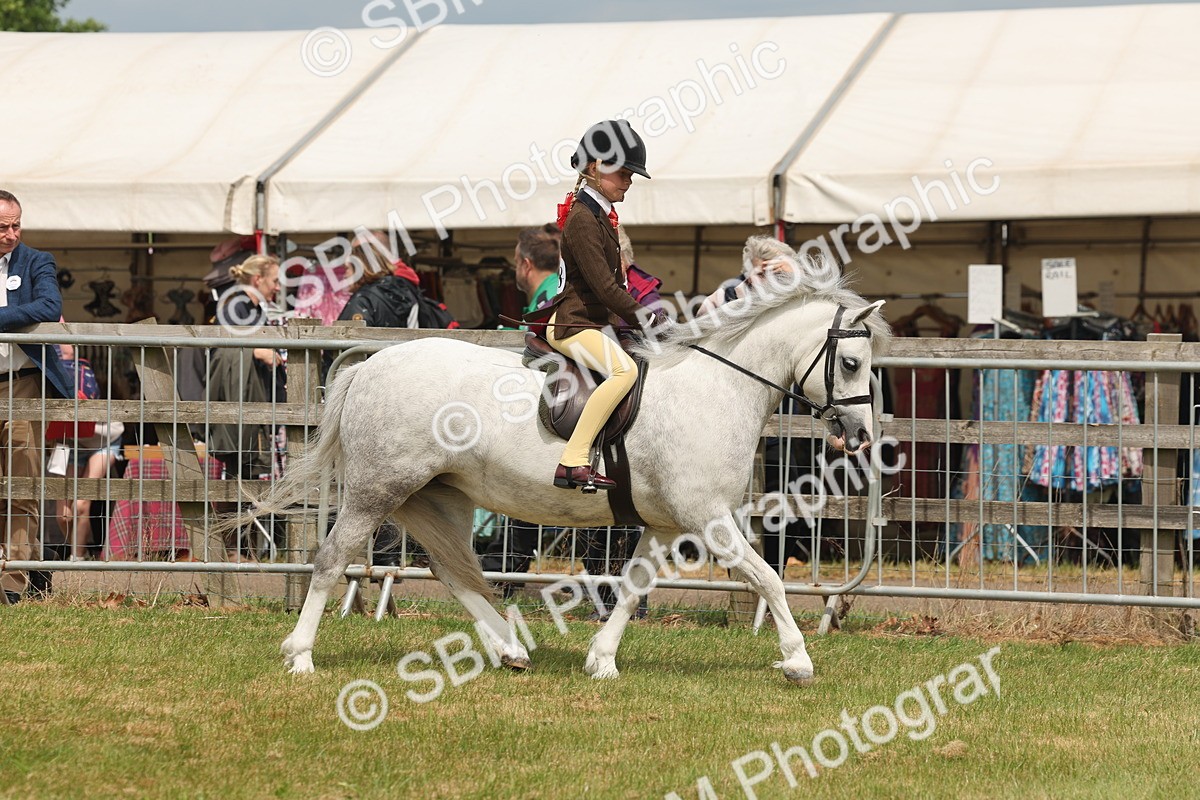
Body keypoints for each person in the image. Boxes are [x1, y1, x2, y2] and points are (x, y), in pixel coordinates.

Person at [536, 119, 668, 491]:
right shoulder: (583, 219)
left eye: (631, 175)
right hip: (573, 324)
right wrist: (647, 318)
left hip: (592, 323)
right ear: (595, 167)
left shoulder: (598, 215)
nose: (629, 181)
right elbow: (607, 288)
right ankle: (573, 460)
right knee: (624, 372)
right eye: (624, 173)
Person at [0, 190, 73, 604]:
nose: (11, 234)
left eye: (16, 225)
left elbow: (49, 305)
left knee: (21, 487)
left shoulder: (36, 261)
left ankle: (14, 585)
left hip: (23, 383)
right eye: (3, 227)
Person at [698, 235, 800, 317]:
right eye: (761, 274)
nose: (771, 281)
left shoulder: (800, 295)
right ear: (748, 277)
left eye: (778, 274)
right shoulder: (719, 301)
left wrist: (797, 279)